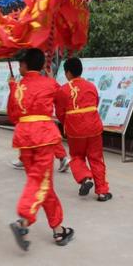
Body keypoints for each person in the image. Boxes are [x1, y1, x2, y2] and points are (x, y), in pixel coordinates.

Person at [7, 49, 74, 252]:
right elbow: (65, 97)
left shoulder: (18, 86)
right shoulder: (48, 83)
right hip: (43, 136)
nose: (19, 67)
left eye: (21, 64)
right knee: (39, 182)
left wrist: (12, 87)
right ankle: (23, 220)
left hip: (24, 138)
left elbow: (12, 115)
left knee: (41, 184)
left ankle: (58, 228)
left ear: (27, 65)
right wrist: (52, 79)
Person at [55, 57, 112, 202]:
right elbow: (95, 104)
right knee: (96, 158)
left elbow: (60, 113)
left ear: (68, 73)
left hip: (75, 130)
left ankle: (85, 178)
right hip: (94, 128)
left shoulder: (63, 90)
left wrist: (67, 124)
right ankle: (102, 192)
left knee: (77, 157)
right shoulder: (91, 86)